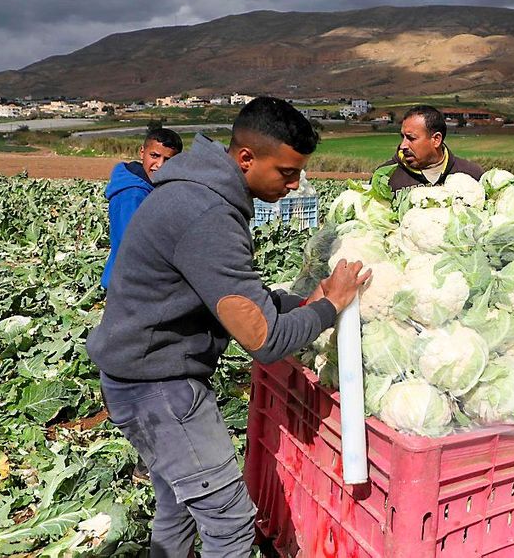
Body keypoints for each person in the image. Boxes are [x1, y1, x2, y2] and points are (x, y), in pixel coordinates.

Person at [87, 96, 370, 556]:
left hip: (139, 375)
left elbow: (234, 295)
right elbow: (264, 340)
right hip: (158, 388)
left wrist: (304, 301)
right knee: (231, 522)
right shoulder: (208, 215)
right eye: (286, 172)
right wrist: (331, 305)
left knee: (178, 507)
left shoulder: (195, 191)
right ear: (245, 158)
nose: (296, 185)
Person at [100, 127, 183, 290]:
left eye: (168, 160)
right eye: (155, 156)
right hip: (129, 286)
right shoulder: (132, 195)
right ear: (142, 152)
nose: (160, 165)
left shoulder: (154, 187)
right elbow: (132, 246)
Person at [379, 105, 483, 192]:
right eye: (403, 137)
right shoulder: (385, 177)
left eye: (411, 138)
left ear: (436, 140)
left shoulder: (471, 174)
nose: (403, 146)